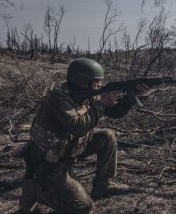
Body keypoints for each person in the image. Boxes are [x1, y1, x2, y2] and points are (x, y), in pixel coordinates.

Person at [19, 58, 149, 214]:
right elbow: (77, 127)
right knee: (83, 207)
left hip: (69, 151)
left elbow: (115, 113)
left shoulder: (88, 95)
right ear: (82, 80)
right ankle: (38, 191)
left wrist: (130, 96)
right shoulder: (58, 97)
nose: (100, 85)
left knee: (107, 136)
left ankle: (102, 186)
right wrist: (101, 104)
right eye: (96, 81)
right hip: (50, 162)